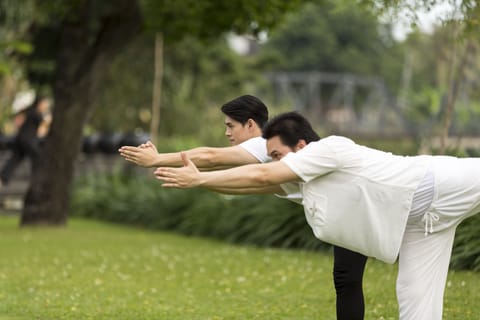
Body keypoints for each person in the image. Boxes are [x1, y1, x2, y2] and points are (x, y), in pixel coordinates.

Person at [155, 111, 480, 320]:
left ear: (300, 145)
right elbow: (254, 185)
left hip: (439, 183)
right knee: (415, 303)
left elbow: (262, 177)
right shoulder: (303, 180)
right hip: (421, 225)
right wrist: (200, 183)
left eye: (278, 155)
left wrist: (199, 178)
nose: (275, 163)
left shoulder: (327, 149)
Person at [120, 98, 368, 320]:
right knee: (347, 280)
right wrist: (198, 181)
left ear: (250, 125)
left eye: (230, 126)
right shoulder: (271, 156)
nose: (227, 132)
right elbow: (245, 186)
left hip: (357, 203)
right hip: (349, 207)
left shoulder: (263, 145)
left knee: (348, 279)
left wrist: (157, 159)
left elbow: (210, 157)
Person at [0, 95, 51, 187]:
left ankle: (3, 178)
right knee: (38, 158)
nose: (46, 106)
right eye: (45, 103)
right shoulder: (36, 113)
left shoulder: (30, 111)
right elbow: (45, 124)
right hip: (27, 140)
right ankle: (37, 180)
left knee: (15, 159)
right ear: (40, 103)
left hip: (20, 139)